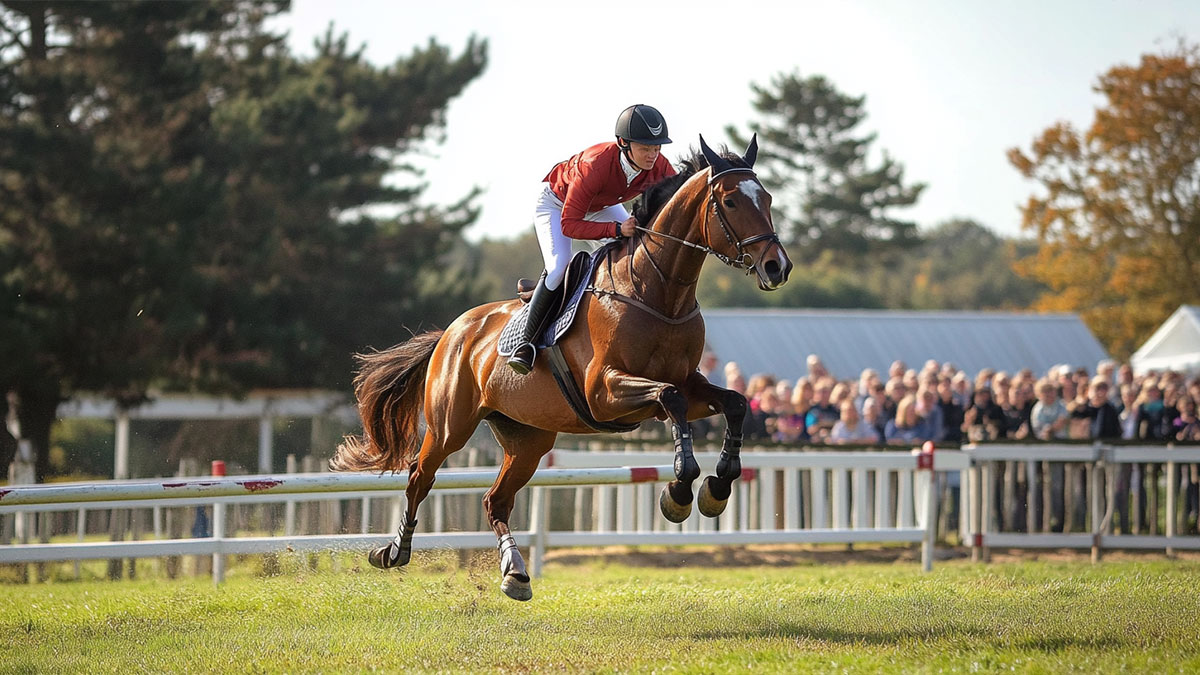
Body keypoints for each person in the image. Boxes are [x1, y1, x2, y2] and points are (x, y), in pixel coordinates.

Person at [508, 104, 676, 374]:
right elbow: (571, 225)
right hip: (556, 203)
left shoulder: (659, 166)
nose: (652, 155)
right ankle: (526, 342)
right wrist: (616, 230)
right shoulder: (595, 165)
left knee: (635, 253)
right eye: (645, 148)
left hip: (601, 204)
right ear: (623, 143)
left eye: (657, 148)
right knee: (560, 265)